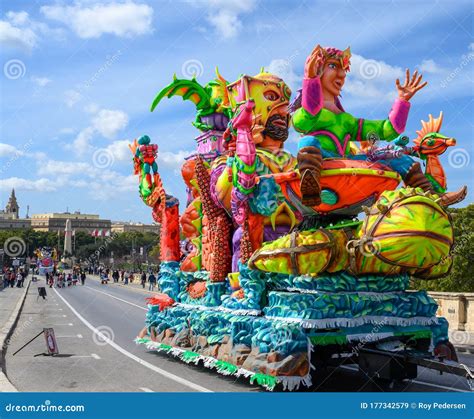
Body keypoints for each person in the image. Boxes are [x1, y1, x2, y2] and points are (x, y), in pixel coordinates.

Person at [292, 44, 467, 208]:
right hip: (321, 163)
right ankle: (310, 185)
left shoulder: (348, 121)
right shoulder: (307, 113)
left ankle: (432, 196)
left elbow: (387, 130)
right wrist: (310, 79)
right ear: (316, 67)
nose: (342, 75)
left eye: (343, 69)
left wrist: (402, 101)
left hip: (344, 164)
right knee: (308, 142)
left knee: (396, 155)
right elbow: (308, 113)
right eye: (333, 66)